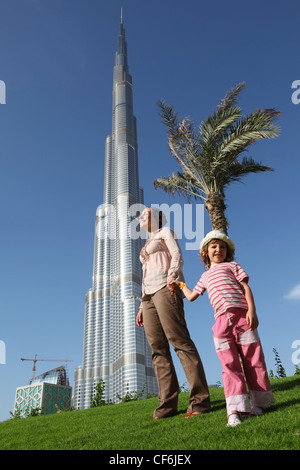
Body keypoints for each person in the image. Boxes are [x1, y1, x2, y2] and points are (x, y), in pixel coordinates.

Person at [168, 230, 274, 427]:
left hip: (243, 318)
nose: (218, 249)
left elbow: (245, 288)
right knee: (229, 366)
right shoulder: (205, 276)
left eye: (222, 247)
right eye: (214, 246)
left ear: (228, 251)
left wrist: (252, 310)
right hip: (221, 323)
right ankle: (234, 411)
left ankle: (259, 405)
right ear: (205, 252)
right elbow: (192, 296)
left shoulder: (233, 266)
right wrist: (181, 285)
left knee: (254, 360)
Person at [136, 207, 210, 420]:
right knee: (157, 349)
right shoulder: (146, 244)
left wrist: (172, 276)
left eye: (146, 213)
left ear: (156, 218)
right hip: (148, 296)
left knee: (179, 341)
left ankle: (200, 402)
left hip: (165, 287)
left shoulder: (165, 232)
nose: (141, 216)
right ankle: (167, 405)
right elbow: (145, 274)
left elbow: (176, 254)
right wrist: (142, 305)